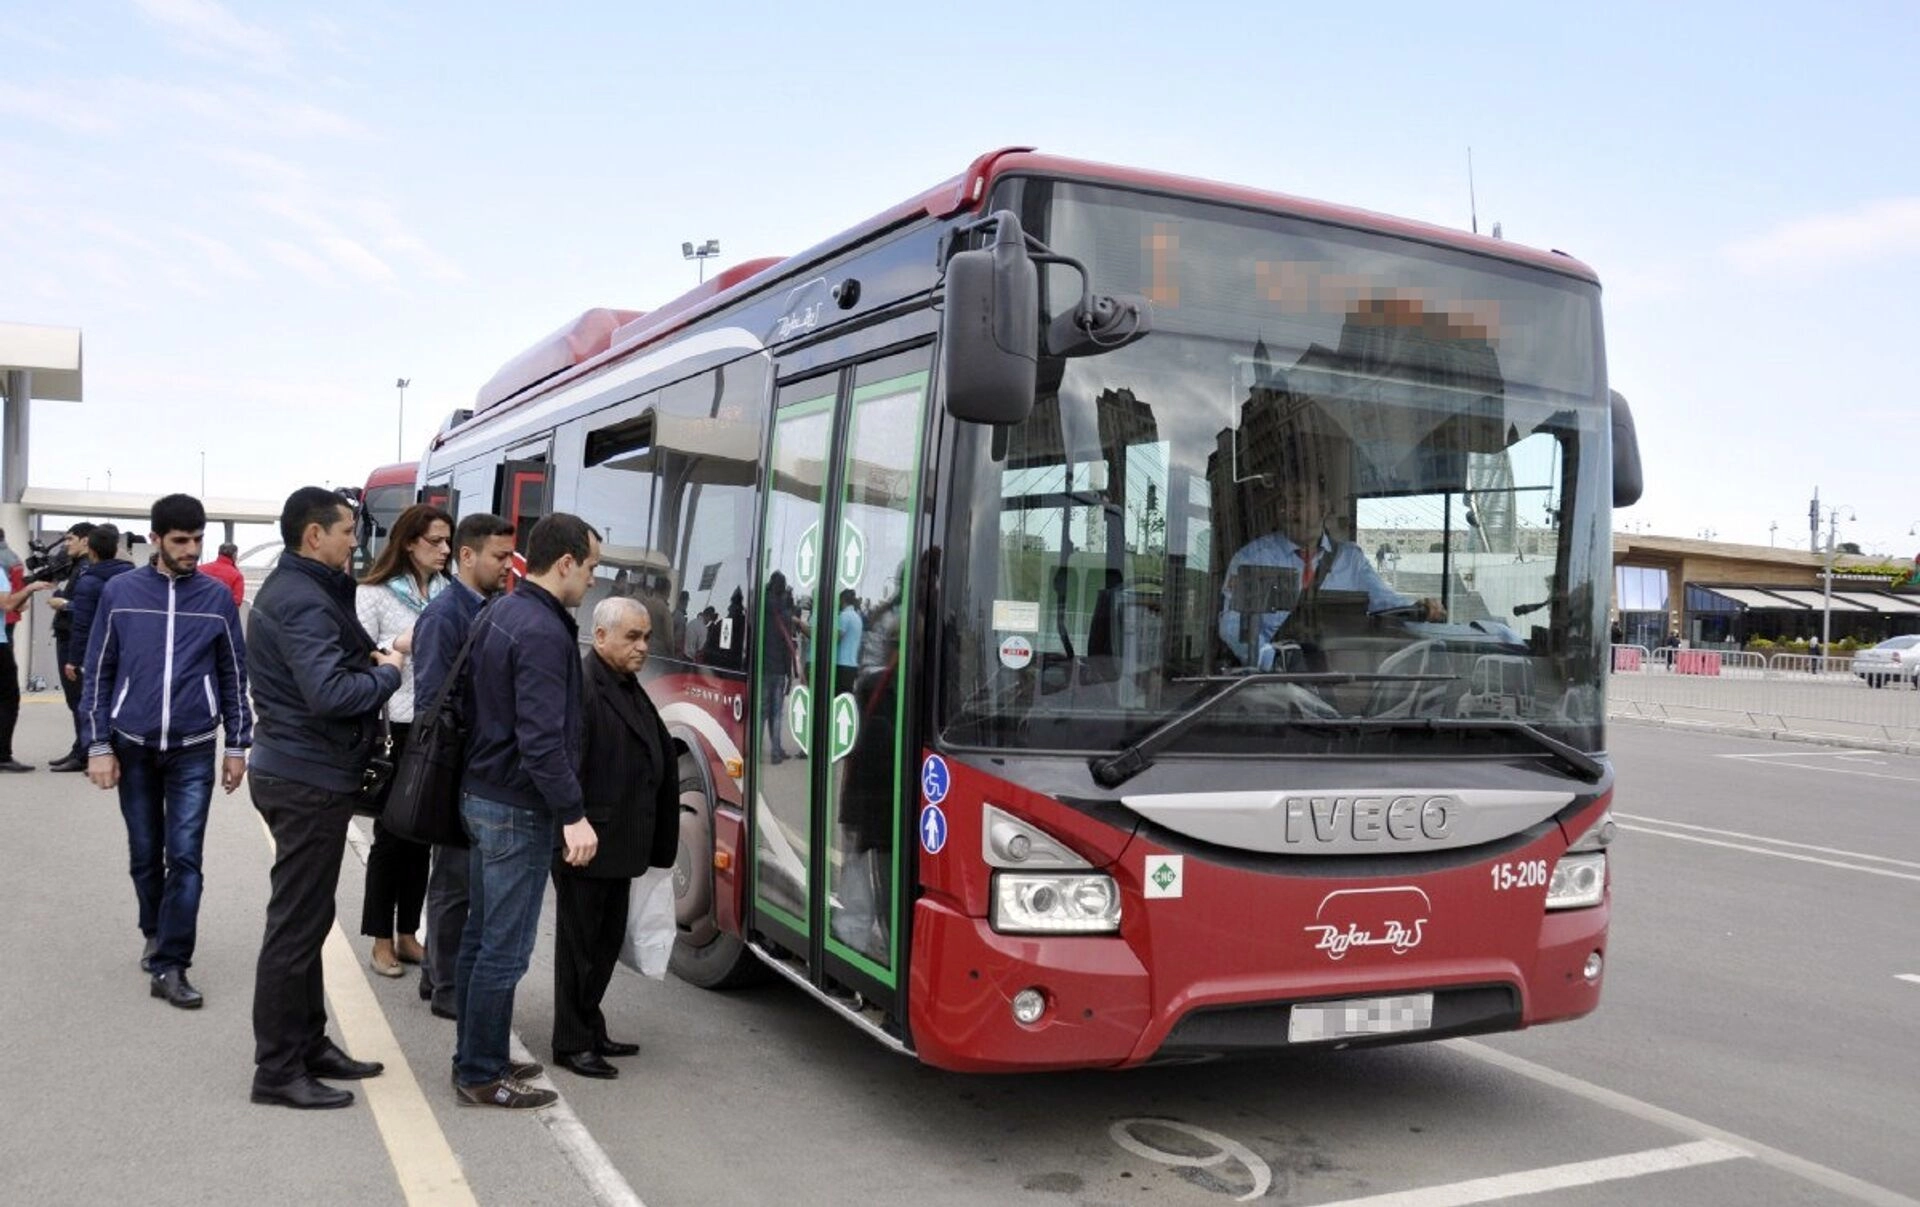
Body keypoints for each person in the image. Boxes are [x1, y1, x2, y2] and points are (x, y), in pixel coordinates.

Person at [246, 487, 404, 1110]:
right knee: (295, 926)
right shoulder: (302, 601)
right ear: (315, 536)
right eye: (345, 532)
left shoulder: (303, 592)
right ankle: (277, 1069)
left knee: (306, 918)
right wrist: (389, 670)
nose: (352, 542)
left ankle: (308, 1044)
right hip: (306, 776)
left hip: (303, 770)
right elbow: (333, 694)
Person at [76, 495, 251, 1005]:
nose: (192, 549)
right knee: (143, 855)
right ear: (155, 539)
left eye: (197, 539)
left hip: (194, 747)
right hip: (131, 745)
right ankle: (154, 931)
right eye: (180, 541)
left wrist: (238, 745)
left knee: (187, 857)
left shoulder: (217, 597)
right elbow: (100, 670)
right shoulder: (120, 592)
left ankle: (172, 963)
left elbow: (233, 674)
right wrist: (97, 745)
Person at [453, 513, 601, 1110]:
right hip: (517, 807)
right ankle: (481, 1073)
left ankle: (478, 1050)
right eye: (591, 567)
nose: (593, 580)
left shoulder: (502, 611)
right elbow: (541, 738)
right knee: (505, 950)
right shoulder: (541, 631)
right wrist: (574, 813)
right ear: (565, 563)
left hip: (484, 793)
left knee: (479, 938)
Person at [550, 596, 678, 1078]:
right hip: (589, 844)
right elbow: (568, 765)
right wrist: (570, 826)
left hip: (619, 845)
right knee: (580, 950)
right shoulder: (584, 687)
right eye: (632, 637)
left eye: (646, 637)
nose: (643, 646)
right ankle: (572, 1042)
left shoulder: (625, 683)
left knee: (602, 947)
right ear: (600, 636)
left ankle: (590, 1025)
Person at [410, 512, 516, 1020]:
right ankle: (448, 984)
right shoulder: (444, 615)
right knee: (453, 881)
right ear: (467, 557)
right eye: (498, 557)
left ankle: (437, 975)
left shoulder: (494, 607)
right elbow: (433, 697)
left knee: (463, 880)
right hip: (455, 766)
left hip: (478, 764)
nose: (506, 566)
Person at [355, 503, 454, 979]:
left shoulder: (447, 591)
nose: (444, 550)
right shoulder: (373, 593)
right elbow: (357, 652)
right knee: (391, 837)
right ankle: (380, 937)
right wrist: (396, 647)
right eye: (435, 541)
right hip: (391, 722)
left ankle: (409, 933)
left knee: (422, 833)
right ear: (410, 541)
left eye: (448, 541)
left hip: (433, 724)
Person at [1217, 470, 1443, 669]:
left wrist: (1422, 609)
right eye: (1282, 502)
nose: (1287, 508)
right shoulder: (1252, 558)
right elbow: (1233, 625)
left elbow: (1385, 603)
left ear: (1323, 508)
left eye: (1297, 499)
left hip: (1333, 679)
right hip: (1268, 683)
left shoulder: (1350, 560)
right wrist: (1272, 660)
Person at [46, 522, 96, 771]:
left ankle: (85, 753)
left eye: (70, 539)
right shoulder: (76, 566)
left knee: (79, 698)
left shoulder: (87, 568)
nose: (67, 545)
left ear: (85, 541)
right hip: (67, 634)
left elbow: (88, 607)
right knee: (73, 698)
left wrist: (64, 604)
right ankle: (79, 748)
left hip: (75, 638)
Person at [759, 570, 801, 762]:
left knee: (762, 712)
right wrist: (788, 674)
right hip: (779, 671)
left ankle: (756, 750)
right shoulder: (785, 614)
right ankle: (776, 751)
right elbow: (787, 644)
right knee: (777, 714)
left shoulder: (763, 609)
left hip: (764, 668)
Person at [835, 588, 863, 688]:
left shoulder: (844, 616)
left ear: (842, 600)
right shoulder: (857, 617)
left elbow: (837, 638)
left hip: (841, 664)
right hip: (852, 665)